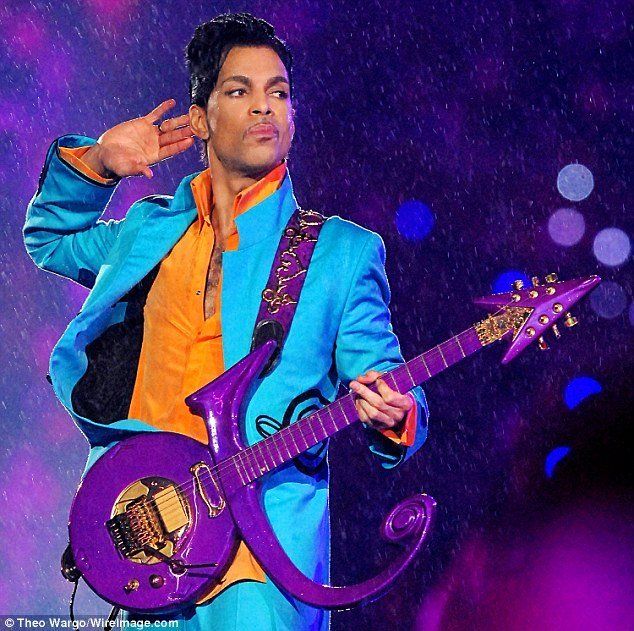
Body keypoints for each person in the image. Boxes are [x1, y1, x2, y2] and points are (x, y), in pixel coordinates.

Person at [23, 12, 429, 631]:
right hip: (150, 548)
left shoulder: (339, 252)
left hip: (258, 563)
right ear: (200, 118)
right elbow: (49, 238)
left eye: (279, 92)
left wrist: (397, 414)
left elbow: (388, 381)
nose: (265, 107)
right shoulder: (148, 229)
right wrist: (100, 161)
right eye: (240, 91)